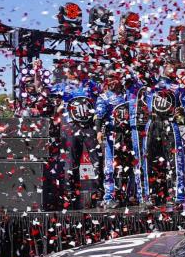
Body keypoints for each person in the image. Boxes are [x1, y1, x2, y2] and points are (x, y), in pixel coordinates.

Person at [142, 59, 185, 206]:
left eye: (175, 67)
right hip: (152, 123)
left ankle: (178, 196)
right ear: (164, 66)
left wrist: (182, 111)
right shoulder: (152, 83)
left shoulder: (179, 87)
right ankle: (151, 196)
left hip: (170, 124)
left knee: (175, 160)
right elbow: (141, 71)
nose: (172, 69)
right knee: (149, 159)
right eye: (170, 66)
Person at [50, 61, 101, 209]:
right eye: (70, 69)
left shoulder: (89, 84)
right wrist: (37, 72)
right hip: (70, 128)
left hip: (89, 127)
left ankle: (100, 193)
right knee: (71, 163)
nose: (74, 71)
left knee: (97, 160)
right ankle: (70, 194)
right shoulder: (63, 86)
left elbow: (101, 97)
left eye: (75, 68)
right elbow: (43, 90)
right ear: (66, 72)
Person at [96, 70, 142, 208]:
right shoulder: (103, 97)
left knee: (131, 165)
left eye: (113, 78)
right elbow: (99, 117)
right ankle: (109, 197)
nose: (111, 82)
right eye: (108, 79)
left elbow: (140, 86)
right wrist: (99, 132)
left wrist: (130, 76)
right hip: (113, 135)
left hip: (128, 134)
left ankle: (130, 194)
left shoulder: (127, 93)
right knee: (110, 166)